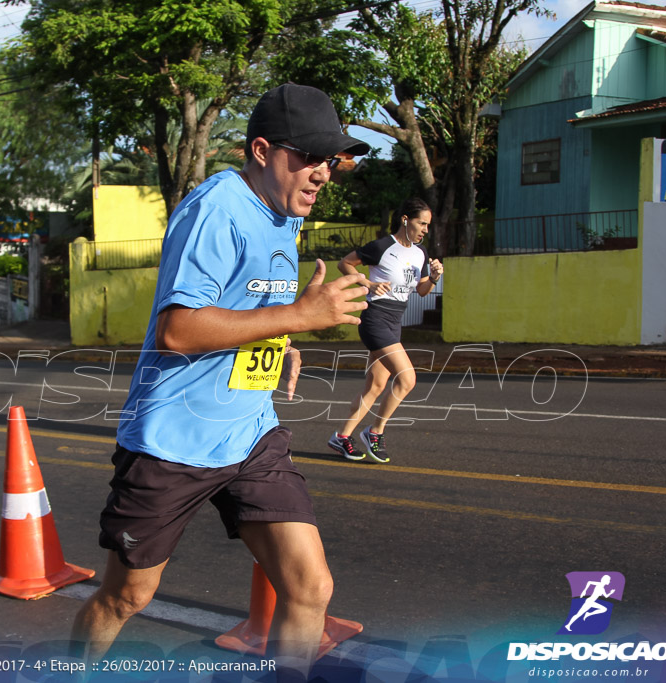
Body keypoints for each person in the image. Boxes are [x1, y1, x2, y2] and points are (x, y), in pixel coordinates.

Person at [70, 83, 371, 681]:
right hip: (174, 438)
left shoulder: (284, 215)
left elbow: (244, 305)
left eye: (329, 160)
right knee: (127, 596)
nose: (322, 174)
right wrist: (299, 317)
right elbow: (177, 330)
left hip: (249, 429)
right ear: (262, 151)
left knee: (310, 587)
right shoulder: (217, 209)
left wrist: (277, 341)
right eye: (307, 157)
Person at [327, 197, 443, 463]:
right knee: (407, 379)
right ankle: (374, 432)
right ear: (405, 220)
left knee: (377, 385)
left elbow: (423, 291)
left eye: (428, 225)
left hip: (395, 321)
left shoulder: (420, 253)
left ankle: (342, 437)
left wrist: (434, 277)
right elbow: (345, 263)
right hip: (376, 319)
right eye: (421, 223)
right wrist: (368, 284)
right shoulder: (382, 246)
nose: (425, 229)